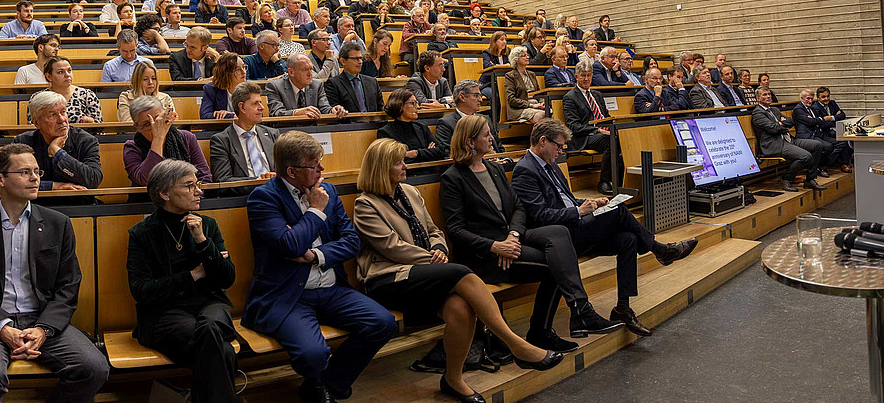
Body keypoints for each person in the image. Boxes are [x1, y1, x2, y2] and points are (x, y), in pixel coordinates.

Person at [355, 140, 562, 401]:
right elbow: (393, 248)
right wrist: (434, 259)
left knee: (461, 310)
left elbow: (433, 230)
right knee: (460, 272)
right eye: (398, 162)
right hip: (389, 278)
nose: (404, 166)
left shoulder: (409, 191)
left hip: (427, 273)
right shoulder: (366, 204)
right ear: (381, 168)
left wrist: (439, 247)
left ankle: (452, 379)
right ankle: (515, 344)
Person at [241, 131, 397, 403]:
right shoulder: (263, 198)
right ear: (291, 171)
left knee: (382, 323)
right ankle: (318, 383)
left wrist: (315, 255)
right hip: (289, 295)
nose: (322, 169)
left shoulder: (329, 191)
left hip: (330, 287)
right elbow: (289, 246)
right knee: (312, 354)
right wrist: (315, 211)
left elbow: (351, 241)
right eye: (314, 165)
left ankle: (326, 384)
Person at [0, 143, 110, 403]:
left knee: (94, 367)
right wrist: (2, 328)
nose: (35, 178)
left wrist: (43, 330)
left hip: (42, 318)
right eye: (24, 172)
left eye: (36, 171)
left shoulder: (58, 223)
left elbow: (68, 286)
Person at [440, 116, 617, 351]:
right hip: (483, 255)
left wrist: (512, 235)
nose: (492, 138)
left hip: (510, 243)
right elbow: (455, 230)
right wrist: (495, 245)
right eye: (486, 134)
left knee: (559, 236)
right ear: (470, 141)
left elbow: (518, 208)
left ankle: (572, 314)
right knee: (557, 264)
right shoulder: (453, 178)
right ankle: (548, 327)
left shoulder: (493, 168)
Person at [511, 120, 698, 337]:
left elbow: (567, 200)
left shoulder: (549, 164)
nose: (561, 151)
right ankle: (660, 250)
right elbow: (538, 216)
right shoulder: (525, 170)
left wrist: (592, 203)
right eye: (559, 146)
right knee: (618, 211)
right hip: (560, 237)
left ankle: (622, 308)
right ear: (543, 141)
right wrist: (579, 212)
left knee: (627, 238)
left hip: (575, 225)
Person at [126, 159, 240, 403]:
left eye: (197, 184)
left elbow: (227, 278)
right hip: (166, 313)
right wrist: (193, 275)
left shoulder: (206, 225)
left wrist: (202, 241)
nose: (199, 191)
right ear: (164, 193)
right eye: (189, 186)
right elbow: (141, 291)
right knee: (224, 350)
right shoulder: (142, 234)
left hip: (210, 304)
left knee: (210, 330)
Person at [13, 91, 103, 192]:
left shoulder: (86, 140)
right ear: (37, 123)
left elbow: (93, 180)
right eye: (52, 115)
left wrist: (58, 154)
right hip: (37, 204)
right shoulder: (22, 142)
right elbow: (12, 181)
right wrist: (54, 186)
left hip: (80, 204)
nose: (62, 119)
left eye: (63, 112)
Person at [562, 61, 622, 196]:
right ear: (576, 76)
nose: (586, 79)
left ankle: (622, 180)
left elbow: (605, 116)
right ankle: (604, 181)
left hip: (603, 132)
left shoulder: (597, 94)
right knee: (610, 141)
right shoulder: (570, 97)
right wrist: (597, 130)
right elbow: (574, 126)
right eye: (583, 75)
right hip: (584, 136)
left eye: (589, 75)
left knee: (624, 135)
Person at [751, 86, 827, 192]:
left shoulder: (775, 109)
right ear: (758, 98)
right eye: (765, 95)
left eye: (769, 94)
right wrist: (780, 124)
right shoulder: (758, 113)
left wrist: (781, 123)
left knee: (817, 145)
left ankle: (810, 179)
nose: (768, 96)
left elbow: (791, 122)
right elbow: (773, 129)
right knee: (806, 156)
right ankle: (786, 179)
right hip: (774, 144)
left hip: (788, 140)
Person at [124, 96, 211, 186]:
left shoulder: (187, 138)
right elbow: (145, 180)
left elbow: (204, 176)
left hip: (187, 197)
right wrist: (158, 139)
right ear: (137, 127)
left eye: (158, 121)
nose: (155, 127)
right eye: (147, 124)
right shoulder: (132, 147)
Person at [210, 81, 279, 189]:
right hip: (246, 197)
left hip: (277, 193)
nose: (262, 107)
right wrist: (257, 181)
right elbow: (223, 180)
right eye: (255, 104)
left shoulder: (272, 134)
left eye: (261, 103)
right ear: (242, 107)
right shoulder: (221, 141)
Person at [434, 79, 505, 157]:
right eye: (476, 95)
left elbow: (500, 149)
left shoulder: (486, 119)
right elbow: (449, 155)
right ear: (462, 97)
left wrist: (505, 160)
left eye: (480, 96)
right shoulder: (446, 124)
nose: (480, 100)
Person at [266, 53, 348, 119]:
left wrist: (333, 110)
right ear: (291, 72)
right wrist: (297, 112)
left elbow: (324, 108)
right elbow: (276, 113)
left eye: (311, 69)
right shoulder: (275, 87)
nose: (310, 74)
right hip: (286, 133)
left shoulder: (317, 85)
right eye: (305, 70)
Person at [376, 89, 446, 163]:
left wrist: (416, 153)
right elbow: (393, 160)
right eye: (413, 103)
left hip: (429, 172)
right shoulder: (385, 132)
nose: (418, 107)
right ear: (400, 106)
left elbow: (441, 151)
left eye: (417, 103)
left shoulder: (421, 127)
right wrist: (428, 152)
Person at [30, 57, 102, 124]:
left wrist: (91, 121)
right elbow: (33, 125)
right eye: (61, 72)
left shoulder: (87, 95)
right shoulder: (38, 98)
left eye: (69, 70)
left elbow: (99, 126)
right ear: (48, 76)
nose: (67, 75)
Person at [792, 89, 846, 175]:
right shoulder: (798, 109)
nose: (810, 101)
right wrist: (821, 119)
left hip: (818, 134)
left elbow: (816, 121)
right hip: (807, 136)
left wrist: (820, 119)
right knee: (828, 146)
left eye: (811, 99)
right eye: (808, 99)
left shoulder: (810, 108)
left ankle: (822, 165)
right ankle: (817, 167)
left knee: (841, 143)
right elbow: (812, 121)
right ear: (802, 99)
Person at [325, 42, 385, 114]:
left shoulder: (372, 82)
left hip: (373, 124)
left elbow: (381, 109)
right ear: (343, 61)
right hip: (350, 124)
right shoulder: (333, 84)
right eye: (355, 59)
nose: (360, 62)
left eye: (360, 58)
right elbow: (335, 111)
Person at [813, 86, 853, 172]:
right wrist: (836, 118)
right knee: (843, 141)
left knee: (850, 139)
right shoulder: (815, 107)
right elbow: (822, 124)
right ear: (818, 98)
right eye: (823, 97)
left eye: (828, 96)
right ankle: (841, 164)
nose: (826, 98)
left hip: (835, 129)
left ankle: (843, 162)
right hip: (824, 132)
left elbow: (842, 115)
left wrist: (831, 118)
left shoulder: (832, 103)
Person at [504, 46, 546, 124]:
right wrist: (531, 105)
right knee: (541, 115)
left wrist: (543, 102)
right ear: (516, 59)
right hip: (519, 109)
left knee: (553, 112)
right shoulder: (510, 76)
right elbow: (511, 99)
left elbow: (539, 93)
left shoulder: (532, 74)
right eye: (524, 56)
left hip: (536, 105)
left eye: (527, 55)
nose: (527, 57)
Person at [201, 52, 248, 119]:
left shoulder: (249, 89)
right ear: (226, 72)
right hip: (219, 128)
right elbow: (204, 115)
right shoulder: (211, 89)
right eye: (238, 69)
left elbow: (257, 114)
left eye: (244, 67)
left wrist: (231, 114)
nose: (244, 72)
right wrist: (229, 116)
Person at [480, 31, 510, 99]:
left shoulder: (507, 52)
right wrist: (505, 66)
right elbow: (488, 66)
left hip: (503, 84)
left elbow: (512, 65)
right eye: (502, 39)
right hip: (488, 84)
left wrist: (496, 65)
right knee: (496, 96)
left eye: (505, 39)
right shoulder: (487, 53)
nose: (504, 42)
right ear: (495, 41)